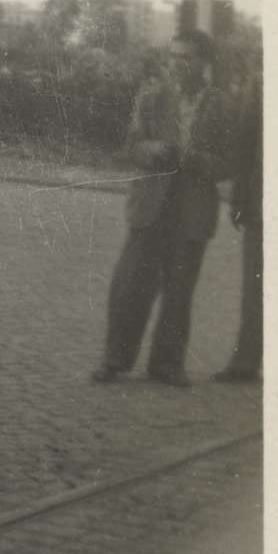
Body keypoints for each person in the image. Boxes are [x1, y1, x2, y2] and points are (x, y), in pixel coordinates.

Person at [91, 29, 236, 388]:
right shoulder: (153, 97)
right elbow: (131, 145)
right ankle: (115, 359)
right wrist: (152, 150)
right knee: (130, 287)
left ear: (203, 62)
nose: (177, 64)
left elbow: (230, 163)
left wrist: (198, 160)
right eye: (174, 56)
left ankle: (167, 365)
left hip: (192, 210)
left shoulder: (221, 105)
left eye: (186, 58)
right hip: (151, 205)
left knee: (179, 292)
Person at [214, 64, 263, 382]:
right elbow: (244, 145)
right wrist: (239, 199)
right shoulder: (261, 80)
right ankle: (245, 363)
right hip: (265, 203)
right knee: (256, 287)